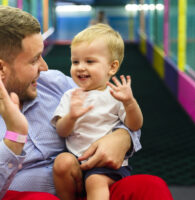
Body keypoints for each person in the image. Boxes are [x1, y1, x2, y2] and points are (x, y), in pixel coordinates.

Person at [0, 5, 173, 200]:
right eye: (35, 59)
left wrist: (122, 137)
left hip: (89, 188)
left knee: (150, 187)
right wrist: (13, 138)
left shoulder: (55, 83)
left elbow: (113, 111)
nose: (45, 67)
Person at [52, 24, 143, 200]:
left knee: (95, 181)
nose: (80, 67)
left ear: (112, 67)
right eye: (75, 61)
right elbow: (62, 131)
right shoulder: (70, 96)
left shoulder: (115, 95)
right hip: (77, 160)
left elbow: (135, 124)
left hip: (107, 165)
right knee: (61, 163)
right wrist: (71, 117)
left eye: (90, 61)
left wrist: (129, 103)